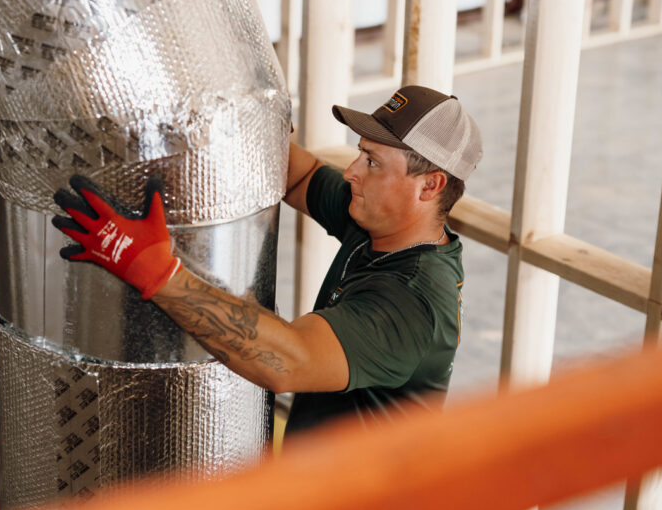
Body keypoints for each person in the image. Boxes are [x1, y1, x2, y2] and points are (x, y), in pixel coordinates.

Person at [52, 85, 482, 432]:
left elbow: (289, 361)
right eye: (360, 153)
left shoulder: (412, 303)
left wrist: (153, 269)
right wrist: (240, 126)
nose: (352, 171)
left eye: (372, 162)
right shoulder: (377, 223)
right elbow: (301, 176)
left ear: (430, 186)